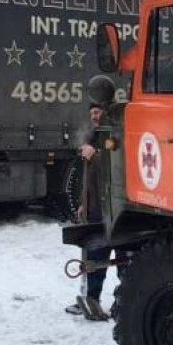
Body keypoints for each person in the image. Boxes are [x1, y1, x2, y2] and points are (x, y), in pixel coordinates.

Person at [66, 101, 114, 321]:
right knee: (94, 257)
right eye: (92, 113)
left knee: (123, 258)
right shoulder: (93, 138)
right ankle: (91, 300)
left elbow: (117, 169)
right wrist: (83, 202)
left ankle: (124, 301)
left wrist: (95, 155)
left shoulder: (114, 135)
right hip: (95, 209)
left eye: (97, 112)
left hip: (114, 211)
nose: (94, 116)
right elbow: (89, 179)